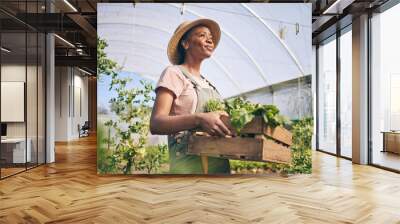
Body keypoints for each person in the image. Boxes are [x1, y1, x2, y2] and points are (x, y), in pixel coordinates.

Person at [150, 18, 235, 174]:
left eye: (211, 37)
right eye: (202, 35)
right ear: (186, 44)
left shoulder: (209, 84)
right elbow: (156, 123)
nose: (210, 40)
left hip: (219, 165)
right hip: (189, 165)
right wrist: (199, 119)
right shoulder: (174, 73)